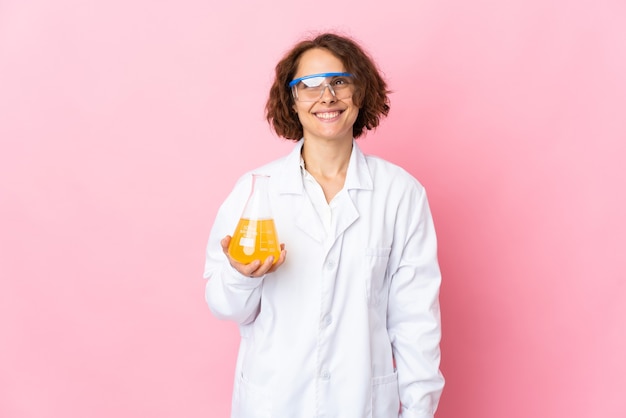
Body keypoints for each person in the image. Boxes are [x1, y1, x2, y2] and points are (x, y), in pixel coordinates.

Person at [204, 32, 444, 418]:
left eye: (340, 82)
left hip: (361, 403)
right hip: (274, 402)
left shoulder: (400, 194)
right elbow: (225, 307)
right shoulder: (254, 192)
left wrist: (418, 412)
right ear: (292, 99)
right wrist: (241, 277)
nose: (326, 96)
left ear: (360, 93)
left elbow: (416, 322)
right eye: (309, 85)